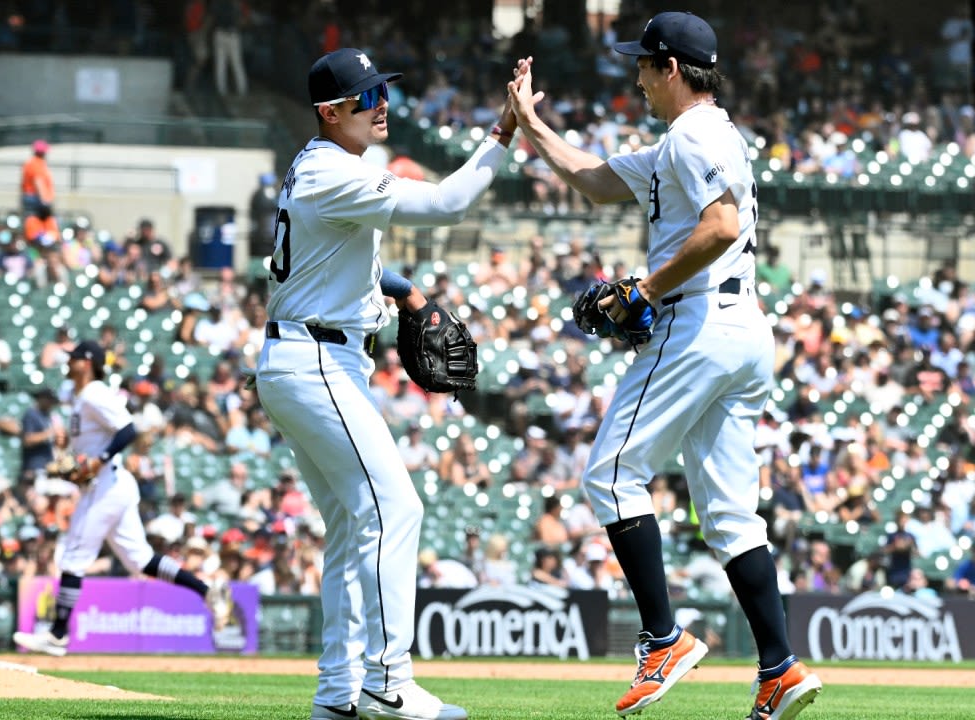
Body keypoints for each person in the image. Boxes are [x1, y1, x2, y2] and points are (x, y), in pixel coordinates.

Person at [506, 12, 821, 719]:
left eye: (644, 66)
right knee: (732, 516)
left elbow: (720, 226)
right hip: (743, 329)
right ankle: (779, 666)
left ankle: (663, 639)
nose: (637, 79)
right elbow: (592, 178)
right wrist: (530, 124)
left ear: (671, 68)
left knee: (611, 473)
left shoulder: (693, 135)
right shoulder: (691, 140)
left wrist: (644, 289)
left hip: (698, 321)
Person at [252, 47, 519, 720]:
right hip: (315, 361)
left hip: (312, 357)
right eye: (367, 96)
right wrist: (504, 132)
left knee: (349, 529)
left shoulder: (325, 170)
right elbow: (446, 202)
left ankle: (337, 695)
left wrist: (403, 292)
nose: (382, 104)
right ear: (330, 111)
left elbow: (340, 261)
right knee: (395, 509)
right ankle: (388, 680)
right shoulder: (329, 174)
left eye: (382, 92)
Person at [12, 340, 219, 656]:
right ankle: (206, 591)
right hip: (113, 485)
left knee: (73, 556)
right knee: (140, 560)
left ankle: (57, 634)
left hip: (105, 486)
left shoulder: (95, 392)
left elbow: (127, 430)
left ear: (87, 363)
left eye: (74, 358)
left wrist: (97, 460)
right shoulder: (82, 398)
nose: (69, 363)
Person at [20, 139, 55, 216]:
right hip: (36, 199)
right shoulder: (37, 163)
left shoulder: (29, 163)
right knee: (37, 224)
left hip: (29, 196)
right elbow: (38, 181)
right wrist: (44, 201)